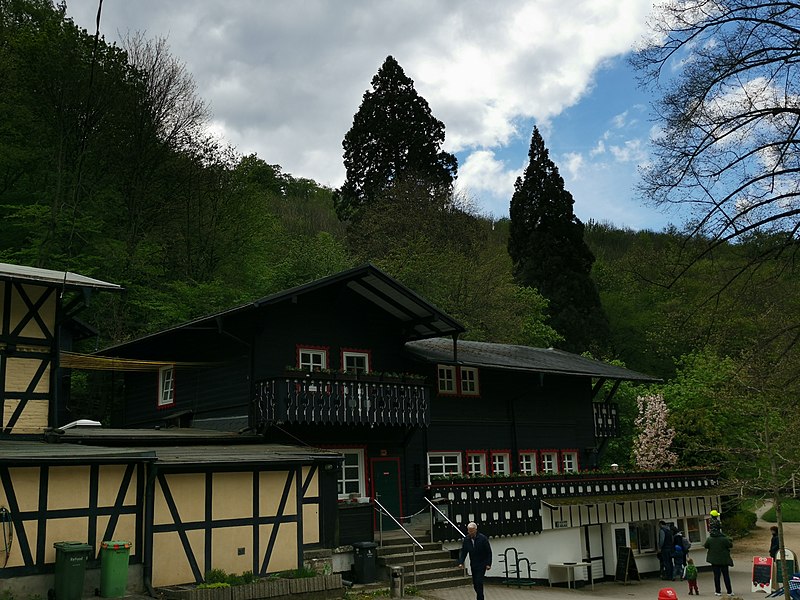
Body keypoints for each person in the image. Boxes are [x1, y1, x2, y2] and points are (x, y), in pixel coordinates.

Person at [458, 522, 492, 600]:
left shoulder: (482, 539)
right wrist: (461, 562)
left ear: (475, 530)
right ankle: (480, 596)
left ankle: (480, 598)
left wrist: (488, 564)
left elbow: (488, 552)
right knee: (475, 584)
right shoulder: (467, 539)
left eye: (472, 531)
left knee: (479, 581)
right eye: (469, 531)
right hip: (473, 563)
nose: (470, 533)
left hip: (482, 563)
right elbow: (464, 552)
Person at [704, 524, 734, 596]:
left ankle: (718, 591)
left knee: (716, 576)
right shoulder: (724, 538)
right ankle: (729, 591)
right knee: (726, 576)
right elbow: (730, 545)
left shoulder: (710, 539)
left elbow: (706, 546)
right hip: (724, 560)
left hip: (714, 560)